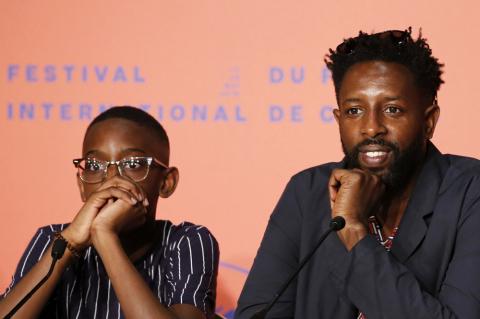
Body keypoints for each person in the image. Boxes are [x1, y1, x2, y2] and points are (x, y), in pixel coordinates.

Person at [235, 28, 480, 318]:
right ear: (338, 118)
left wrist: (354, 231)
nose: (371, 127)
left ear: (428, 121)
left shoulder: (470, 192)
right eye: (354, 111)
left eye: (392, 109)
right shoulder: (307, 191)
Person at [0, 106, 219, 319]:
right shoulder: (51, 240)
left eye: (133, 163)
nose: (112, 178)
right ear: (81, 185)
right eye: (95, 166)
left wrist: (105, 235)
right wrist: (69, 245)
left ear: (166, 182)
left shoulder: (188, 242)